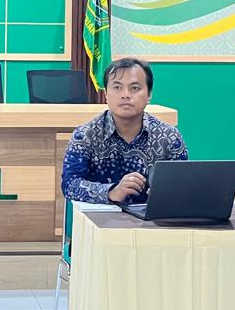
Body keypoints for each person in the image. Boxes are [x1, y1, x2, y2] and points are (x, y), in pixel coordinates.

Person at [61, 57, 188, 204]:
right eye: (117, 87)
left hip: (152, 217)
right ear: (106, 94)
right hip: (100, 217)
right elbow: (70, 184)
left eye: (135, 88)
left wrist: (165, 192)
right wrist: (111, 192)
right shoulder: (85, 135)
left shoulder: (169, 137)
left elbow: (181, 186)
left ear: (149, 94)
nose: (125, 94)